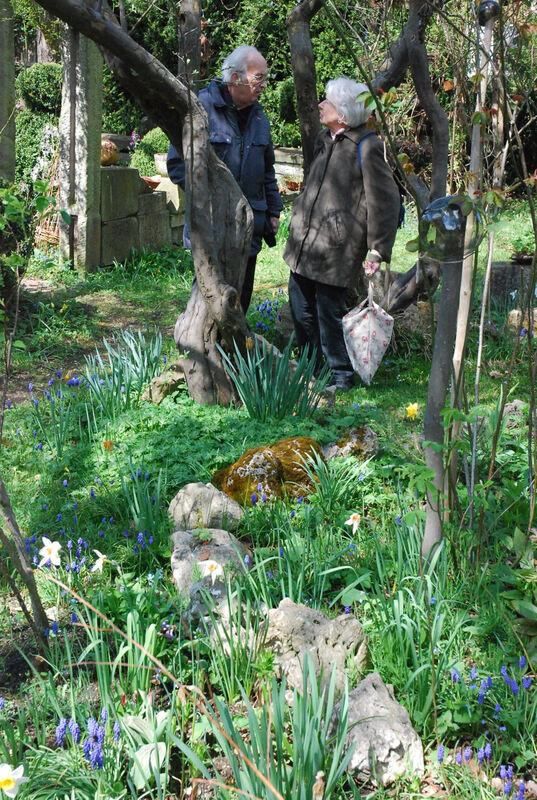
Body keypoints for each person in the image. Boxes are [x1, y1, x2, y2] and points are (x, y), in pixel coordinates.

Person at [283, 76, 401, 391]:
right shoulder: (324, 139)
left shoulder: (368, 146)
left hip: (337, 249)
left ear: (345, 114)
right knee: (301, 309)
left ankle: (340, 375)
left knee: (329, 313)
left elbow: (385, 201)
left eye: (329, 102)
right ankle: (312, 369)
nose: (321, 105)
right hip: (305, 243)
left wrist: (377, 249)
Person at [167, 45, 283, 312]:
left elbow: (267, 171)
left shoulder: (259, 117)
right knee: (208, 302)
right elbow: (177, 165)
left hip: (249, 226)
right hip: (212, 226)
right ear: (235, 78)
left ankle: (238, 340)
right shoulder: (201, 109)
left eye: (265, 78)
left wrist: (274, 211)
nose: (264, 85)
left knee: (241, 300)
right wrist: (211, 196)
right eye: (259, 78)